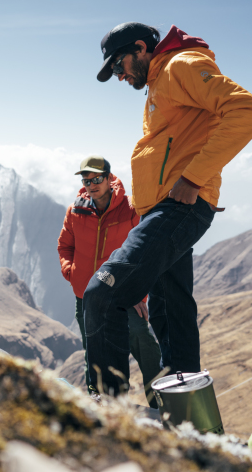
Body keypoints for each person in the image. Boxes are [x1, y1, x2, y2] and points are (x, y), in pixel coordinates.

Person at [85, 23, 252, 397]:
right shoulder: (159, 82)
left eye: (120, 66)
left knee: (101, 295)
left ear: (140, 48)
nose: (120, 77)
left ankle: (107, 412)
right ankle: (188, 419)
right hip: (167, 211)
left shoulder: (180, 66)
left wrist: (193, 177)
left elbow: (249, 111)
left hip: (180, 207)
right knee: (173, 317)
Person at [57, 155, 162, 406]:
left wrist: (140, 294)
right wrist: (72, 273)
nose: (92, 184)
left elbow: (146, 252)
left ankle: (161, 400)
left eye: (97, 179)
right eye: (87, 179)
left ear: (109, 177)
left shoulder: (130, 208)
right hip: (86, 296)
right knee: (93, 349)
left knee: (142, 341)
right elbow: (65, 246)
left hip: (122, 294)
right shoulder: (76, 210)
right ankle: (104, 401)